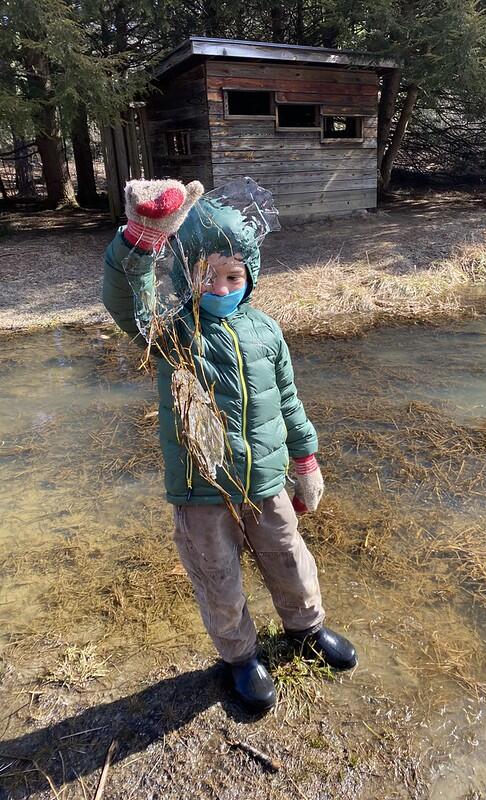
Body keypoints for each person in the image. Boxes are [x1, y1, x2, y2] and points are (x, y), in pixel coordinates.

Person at [102, 177, 357, 712]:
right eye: (206, 276)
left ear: (250, 276)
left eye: (232, 275)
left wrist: (305, 459)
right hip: (200, 488)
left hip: (265, 480)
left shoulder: (266, 330)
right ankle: (240, 658)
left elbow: (287, 397)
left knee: (289, 556)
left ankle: (306, 631)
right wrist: (143, 237)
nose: (220, 288)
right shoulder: (173, 333)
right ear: (187, 277)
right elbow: (126, 296)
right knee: (217, 576)